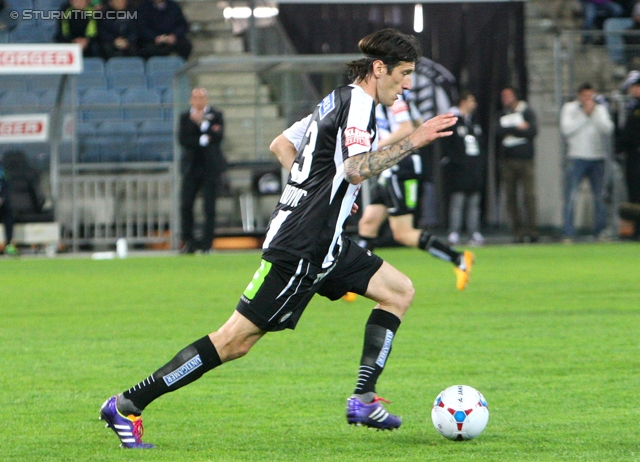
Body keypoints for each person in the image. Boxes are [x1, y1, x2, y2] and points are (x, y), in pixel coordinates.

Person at [99, 28, 459, 449]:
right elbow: (357, 168)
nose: (408, 84)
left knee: (398, 291)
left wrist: (318, 194)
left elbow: (282, 145)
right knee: (233, 342)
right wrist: (413, 140)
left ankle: (362, 397)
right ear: (379, 69)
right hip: (302, 244)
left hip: (322, 241)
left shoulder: (335, 100)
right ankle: (127, 405)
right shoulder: (359, 105)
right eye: (404, 73)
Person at [355, 97, 474, 291]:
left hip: (401, 169)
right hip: (389, 169)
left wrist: (376, 147)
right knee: (368, 223)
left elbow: (408, 128)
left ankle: (458, 258)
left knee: (403, 233)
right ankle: (354, 280)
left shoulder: (396, 98)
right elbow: (419, 126)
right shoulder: (391, 99)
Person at [560, 82, 615, 241]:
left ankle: (600, 231)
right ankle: (568, 233)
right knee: (571, 197)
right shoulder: (569, 109)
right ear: (579, 95)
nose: (588, 99)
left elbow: (608, 129)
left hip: (597, 158)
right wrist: (585, 114)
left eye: (591, 95)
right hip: (576, 157)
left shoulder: (600, 109)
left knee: (599, 197)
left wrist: (594, 114)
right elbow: (566, 129)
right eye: (585, 95)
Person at [178, 87, 225, 254]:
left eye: (202, 97)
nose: (198, 101)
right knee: (186, 205)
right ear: (191, 100)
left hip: (210, 167)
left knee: (209, 207)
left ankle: (207, 244)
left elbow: (218, 137)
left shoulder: (216, 115)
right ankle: (188, 242)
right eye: (195, 97)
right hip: (191, 168)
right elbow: (184, 140)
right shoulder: (184, 117)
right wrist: (205, 137)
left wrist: (202, 124)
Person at [440, 91, 485, 246]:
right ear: (463, 102)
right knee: (457, 202)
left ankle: (474, 233)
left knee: (474, 202)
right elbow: (446, 146)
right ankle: (454, 232)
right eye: (472, 100)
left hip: (474, 169)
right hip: (458, 169)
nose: (475, 104)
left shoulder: (473, 122)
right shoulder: (452, 120)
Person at [496, 87, 540, 243]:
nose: (505, 98)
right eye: (503, 96)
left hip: (526, 160)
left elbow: (532, 131)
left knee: (529, 196)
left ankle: (532, 230)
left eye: (507, 95)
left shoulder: (526, 110)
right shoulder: (502, 113)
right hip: (508, 161)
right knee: (511, 197)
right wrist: (517, 128)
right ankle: (518, 232)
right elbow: (498, 130)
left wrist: (511, 131)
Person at [618, 71, 640, 238]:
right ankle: (636, 230)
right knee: (633, 195)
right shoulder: (631, 107)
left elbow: (631, 134)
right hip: (633, 157)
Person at [0, 165, 18, 256]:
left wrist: (2, 199)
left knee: (9, 216)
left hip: (2, 204)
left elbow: (6, 187)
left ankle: (9, 244)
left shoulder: (2, 172)